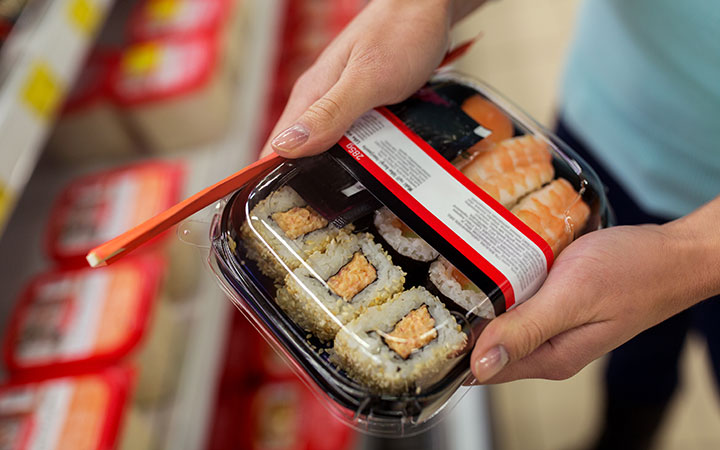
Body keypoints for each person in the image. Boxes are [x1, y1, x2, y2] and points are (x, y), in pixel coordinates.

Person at [261, 0, 720, 447]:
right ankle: (624, 434)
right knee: (637, 356)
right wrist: (421, 7)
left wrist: (690, 257)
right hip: (599, 119)